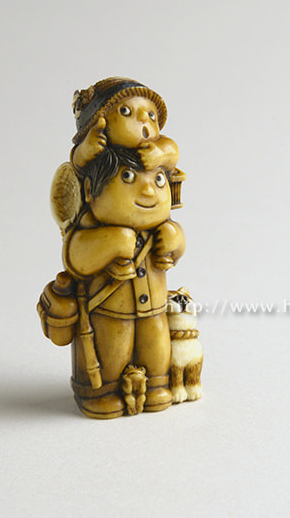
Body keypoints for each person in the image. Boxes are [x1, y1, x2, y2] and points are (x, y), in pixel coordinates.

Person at [62, 78, 185, 418]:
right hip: (108, 311)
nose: (148, 192)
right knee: (112, 349)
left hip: (154, 310)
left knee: (156, 346)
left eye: (158, 182)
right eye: (128, 179)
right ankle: (100, 392)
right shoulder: (93, 215)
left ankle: (157, 385)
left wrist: (174, 238)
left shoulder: (157, 156)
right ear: (90, 192)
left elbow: (171, 151)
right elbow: (76, 258)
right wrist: (113, 242)